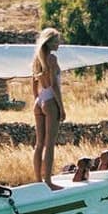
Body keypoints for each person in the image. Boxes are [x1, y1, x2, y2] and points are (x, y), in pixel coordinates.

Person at [31, 27, 65, 190]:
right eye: (57, 41)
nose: (59, 44)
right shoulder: (52, 58)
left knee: (39, 144)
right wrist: (61, 107)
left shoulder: (37, 59)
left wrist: (38, 100)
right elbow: (54, 85)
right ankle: (49, 182)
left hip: (39, 100)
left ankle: (38, 180)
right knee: (49, 144)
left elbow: (34, 84)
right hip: (50, 101)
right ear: (49, 42)